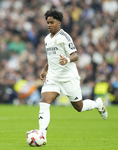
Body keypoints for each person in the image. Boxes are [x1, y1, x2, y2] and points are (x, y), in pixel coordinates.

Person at [37, 9, 108, 145]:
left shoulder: (64, 37)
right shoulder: (47, 39)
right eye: (47, 22)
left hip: (68, 77)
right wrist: (45, 70)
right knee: (44, 102)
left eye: (51, 22)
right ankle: (42, 136)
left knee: (79, 107)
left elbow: (75, 55)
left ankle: (98, 104)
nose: (49, 25)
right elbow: (51, 57)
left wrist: (67, 60)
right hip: (53, 77)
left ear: (59, 22)